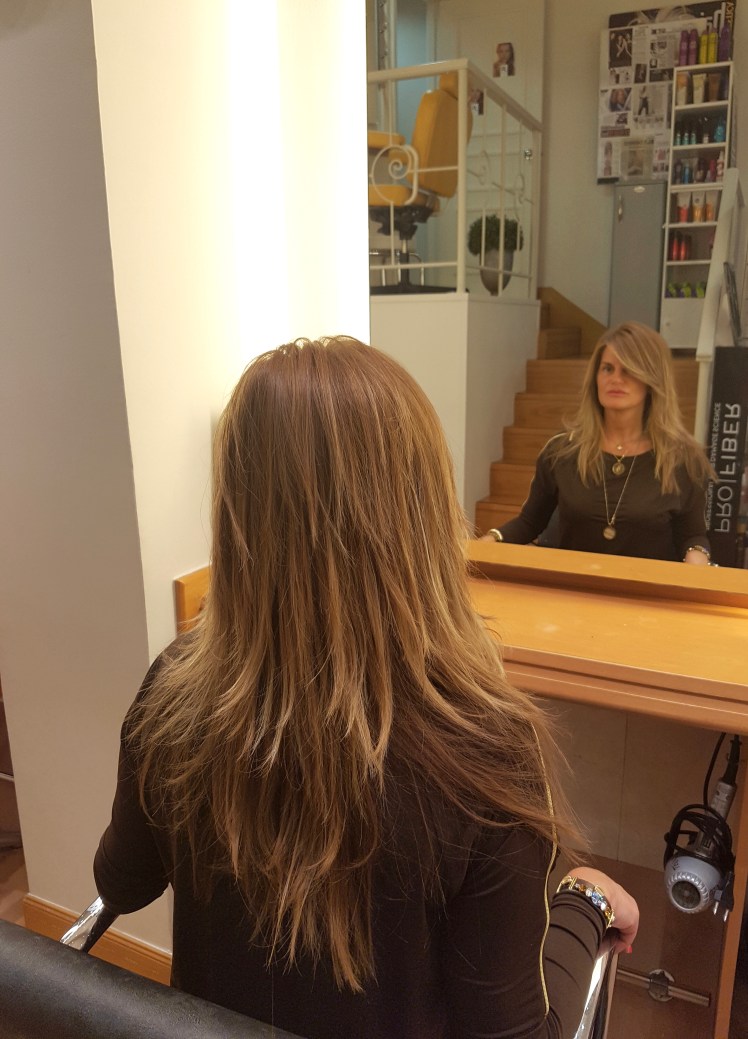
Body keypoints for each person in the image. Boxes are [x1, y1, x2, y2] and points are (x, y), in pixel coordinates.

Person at [94, 336, 638, 1038]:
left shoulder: (174, 692)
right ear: (423, 517)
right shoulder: (489, 754)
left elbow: (122, 881)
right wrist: (586, 901)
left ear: (237, 514)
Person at [483, 322, 715, 564]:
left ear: (651, 381)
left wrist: (697, 560)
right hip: (572, 582)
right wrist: (488, 542)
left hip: (646, 586)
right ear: (595, 378)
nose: (616, 379)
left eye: (628, 370)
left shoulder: (682, 459)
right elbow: (529, 522)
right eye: (607, 369)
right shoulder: (561, 452)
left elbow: (693, 536)